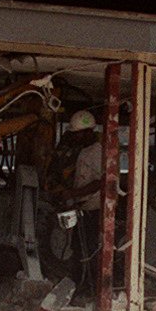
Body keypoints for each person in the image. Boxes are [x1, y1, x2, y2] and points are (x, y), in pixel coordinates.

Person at [65, 108, 103, 291]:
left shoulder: (97, 152)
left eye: (77, 134)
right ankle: (82, 285)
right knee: (80, 248)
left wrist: (74, 194)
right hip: (84, 208)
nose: (74, 138)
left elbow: (100, 182)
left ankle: (88, 287)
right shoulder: (85, 151)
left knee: (88, 250)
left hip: (93, 210)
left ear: (88, 132)